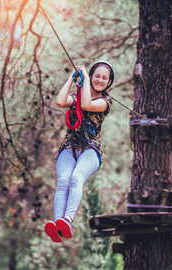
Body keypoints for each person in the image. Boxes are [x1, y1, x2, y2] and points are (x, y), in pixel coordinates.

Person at [44, 61, 114, 243]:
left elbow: (86, 105)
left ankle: (68, 219)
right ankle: (58, 224)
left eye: (104, 78)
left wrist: (86, 78)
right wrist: (72, 78)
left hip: (91, 150)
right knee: (63, 182)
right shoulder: (77, 96)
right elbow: (60, 101)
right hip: (69, 147)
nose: (100, 80)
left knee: (76, 179)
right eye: (97, 76)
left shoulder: (105, 102)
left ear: (109, 82)